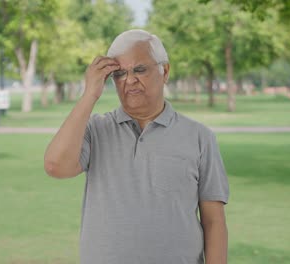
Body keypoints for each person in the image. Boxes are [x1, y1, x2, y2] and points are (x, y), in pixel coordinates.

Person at [44, 29, 229, 264]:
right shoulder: (95, 130)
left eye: (139, 70)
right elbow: (55, 166)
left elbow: (214, 222)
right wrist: (90, 95)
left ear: (165, 71)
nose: (129, 80)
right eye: (119, 74)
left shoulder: (200, 137)